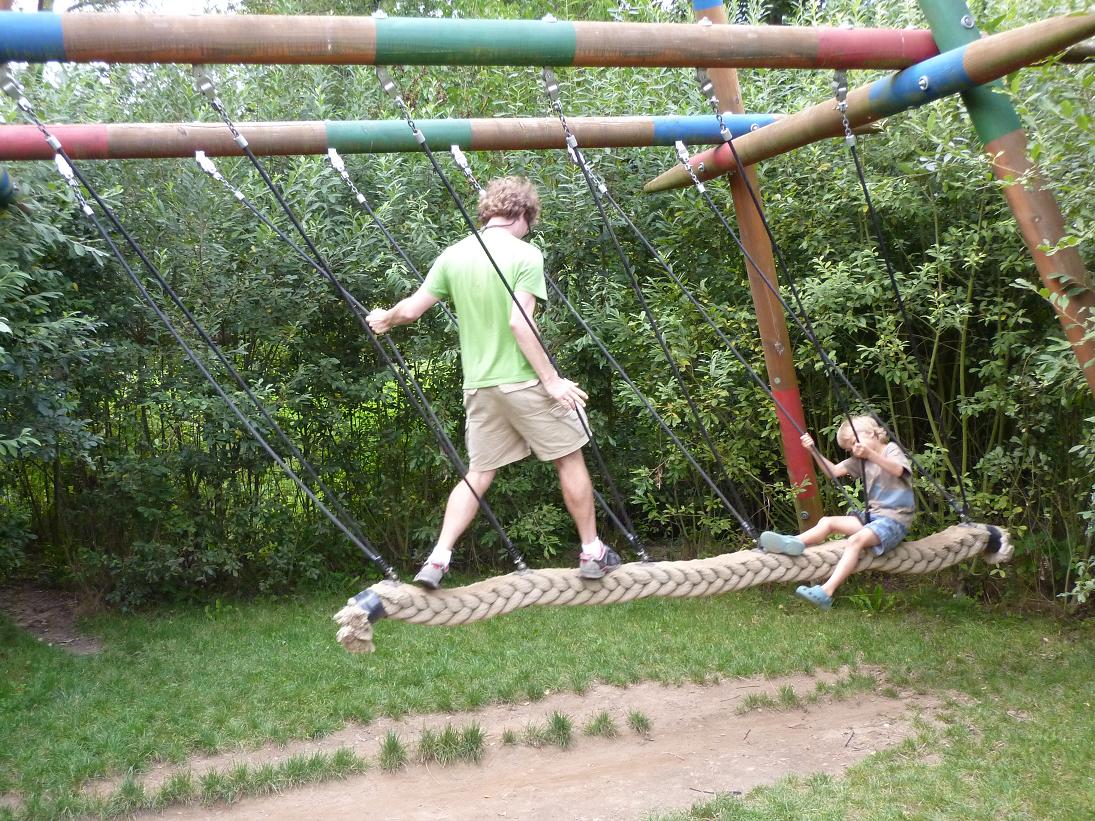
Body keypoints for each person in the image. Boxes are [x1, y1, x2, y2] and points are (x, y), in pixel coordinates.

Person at [366, 176, 619, 589]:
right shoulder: (525, 254)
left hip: (480, 386)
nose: (529, 229)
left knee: (479, 472)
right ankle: (592, 551)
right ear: (521, 215)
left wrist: (385, 319)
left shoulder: (454, 255)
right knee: (569, 457)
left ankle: (437, 559)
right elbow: (520, 322)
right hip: (523, 382)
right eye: (529, 222)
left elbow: (410, 310)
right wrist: (552, 380)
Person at [758, 415, 914, 609]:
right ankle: (794, 542)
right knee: (827, 522)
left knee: (855, 541)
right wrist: (813, 450)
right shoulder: (860, 460)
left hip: (895, 519)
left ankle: (826, 592)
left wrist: (870, 455)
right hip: (873, 517)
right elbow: (831, 471)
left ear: (872, 433)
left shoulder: (890, 449)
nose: (853, 450)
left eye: (853, 443)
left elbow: (899, 470)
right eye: (849, 448)